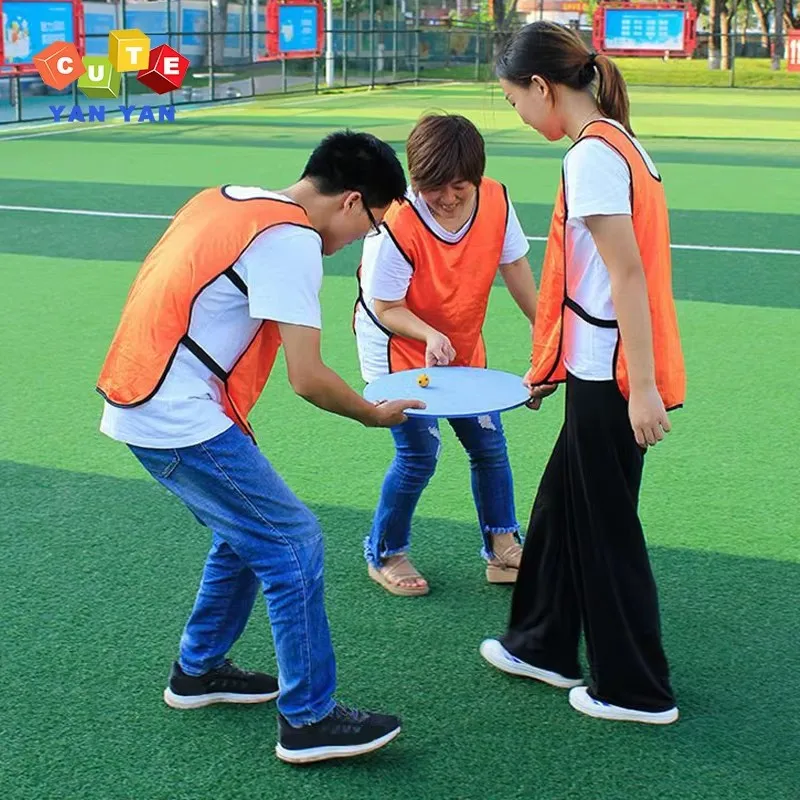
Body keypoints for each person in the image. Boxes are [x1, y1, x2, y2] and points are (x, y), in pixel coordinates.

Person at [95, 131, 425, 764]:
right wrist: (374, 415)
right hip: (176, 416)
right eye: (369, 227)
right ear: (352, 201)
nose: (357, 242)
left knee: (246, 532)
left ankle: (199, 671)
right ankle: (309, 719)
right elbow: (308, 377)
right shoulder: (291, 238)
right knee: (292, 541)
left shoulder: (225, 200)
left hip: (141, 396)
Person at [479, 22, 686, 725]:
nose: (517, 114)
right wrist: (557, 367)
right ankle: (540, 642)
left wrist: (645, 388)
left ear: (542, 88)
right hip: (598, 368)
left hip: (613, 376)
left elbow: (627, 275)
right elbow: (601, 280)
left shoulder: (593, 157)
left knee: (606, 530)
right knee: (564, 506)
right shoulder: (615, 143)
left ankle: (636, 689)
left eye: (513, 101)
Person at [353, 113, 539, 596]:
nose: (449, 198)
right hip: (397, 345)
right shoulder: (397, 222)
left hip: (458, 343)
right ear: (415, 180)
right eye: (434, 186)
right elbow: (386, 306)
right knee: (419, 453)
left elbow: (515, 266)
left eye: (460, 185)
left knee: (488, 444)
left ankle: (502, 547)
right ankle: (386, 551)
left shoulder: (496, 199)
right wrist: (429, 333)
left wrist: (547, 332)